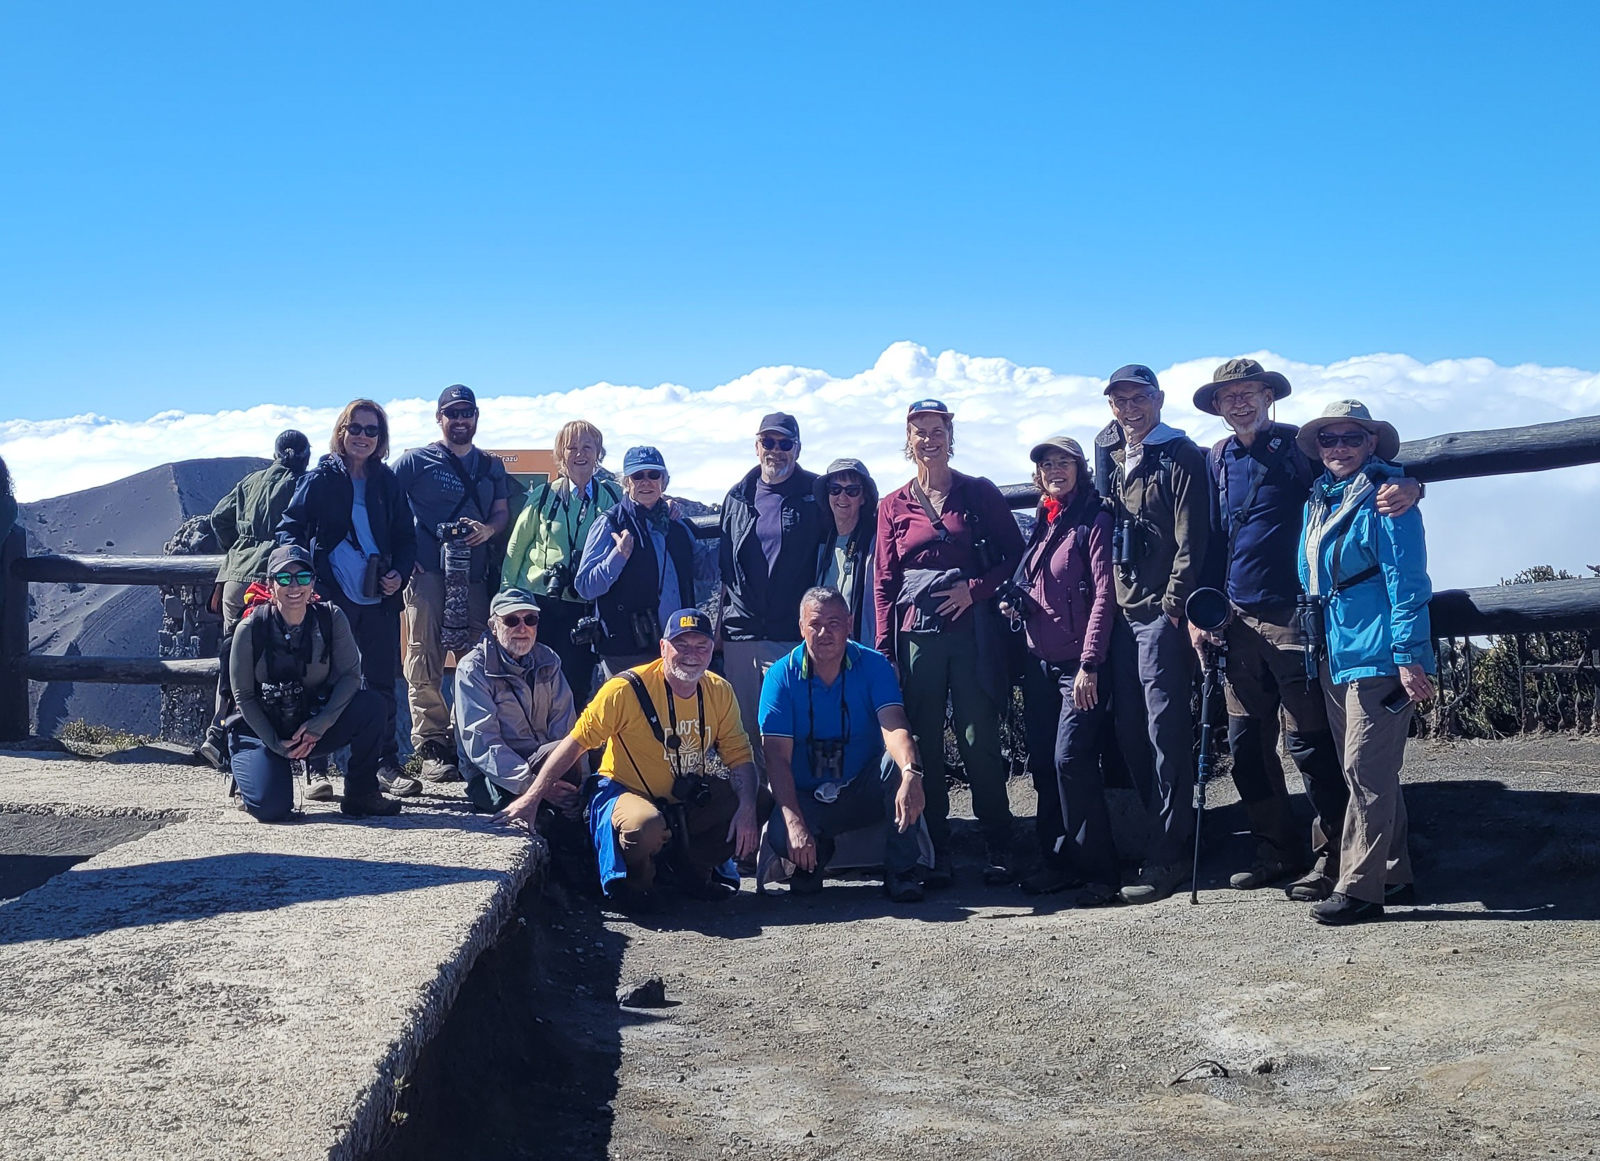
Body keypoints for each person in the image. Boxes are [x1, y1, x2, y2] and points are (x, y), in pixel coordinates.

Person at [1192, 359, 1421, 894]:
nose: (1240, 403)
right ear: (1218, 406)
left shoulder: (1299, 447)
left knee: (1311, 746)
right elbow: (1210, 538)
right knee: (1246, 744)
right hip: (1236, 620)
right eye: (1229, 397)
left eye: (1249, 393)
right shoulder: (1218, 458)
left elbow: (1358, 476)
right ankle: (1276, 851)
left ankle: (1331, 858)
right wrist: (1200, 616)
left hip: (1295, 619)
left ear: (1269, 396)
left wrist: (1412, 486)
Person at [495, 609, 761, 908]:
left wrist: (748, 808)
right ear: (663, 648)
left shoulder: (719, 690)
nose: (692, 655)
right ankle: (638, 885)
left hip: (684, 798)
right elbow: (575, 744)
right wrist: (531, 799)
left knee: (758, 799)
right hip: (624, 790)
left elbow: (739, 754)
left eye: (701, 646)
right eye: (681, 645)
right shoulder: (624, 689)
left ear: (713, 649)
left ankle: (693, 873)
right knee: (643, 826)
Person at [874, 399, 1025, 887]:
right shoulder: (892, 505)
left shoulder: (978, 493)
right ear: (908, 439)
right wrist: (885, 650)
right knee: (923, 742)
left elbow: (1015, 556)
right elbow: (884, 580)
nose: (928, 439)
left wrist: (974, 591)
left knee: (979, 737)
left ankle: (998, 840)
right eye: (919, 431)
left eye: (937, 430)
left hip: (972, 632)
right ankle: (930, 845)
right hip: (917, 634)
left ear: (949, 435)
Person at [1297, 400, 1434, 925]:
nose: (1338, 448)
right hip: (1333, 649)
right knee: (1364, 770)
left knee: (1365, 768)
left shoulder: (1388, 500)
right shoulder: (1320, 499)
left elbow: (1408, 581)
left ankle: (1359, 888)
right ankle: (1394, 873)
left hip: (1378, 652)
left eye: (1351, 438)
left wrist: (1408, 655)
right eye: (1329, 440)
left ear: (1371, 444)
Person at [1101, 364, 1209, 904]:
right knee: (1129, 730)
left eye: (1138, 397)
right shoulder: (1114, 456)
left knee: (1165, 733)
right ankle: (1160, 835)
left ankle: (1170, 853)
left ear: (1158, 398)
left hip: (1158, 617)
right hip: (1121, 616)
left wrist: (1172, 606)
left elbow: (1193, 540)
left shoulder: (1180, 455)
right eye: (1119, 401)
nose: (1129, 408)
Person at [278, 399, 421, 796]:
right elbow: (289, 529)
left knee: (380, 682)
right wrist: (306, 581)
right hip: (331, 597)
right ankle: (316, 767)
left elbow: (407, 538)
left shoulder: (387, 482)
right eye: (355, 428)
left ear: (381, 438)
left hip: (378, 597)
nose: (362, 436)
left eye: (371, 430)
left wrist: (399, 573)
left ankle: (384, 765)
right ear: (341, 432)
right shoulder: (321, 479)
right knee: (322, 681)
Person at [1003, 436, 1120, 904]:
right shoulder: (1046, 522)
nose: (1055, 469)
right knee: (1045, 764)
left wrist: (1091, 663)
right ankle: (1059, 862)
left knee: (1070, 760)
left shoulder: (1093, 518)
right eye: (1047, 464)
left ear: (1080, 469)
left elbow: (1104, 594)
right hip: (1041, 663)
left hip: (1078, 665)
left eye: (1064, 462)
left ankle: (1100, 872)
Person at [758, 587, 927, 901]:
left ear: (849, 624)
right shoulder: (780, 676)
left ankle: (903, 870)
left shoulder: (875, 665)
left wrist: (911, 773)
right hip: (808, 796)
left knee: (899, 763)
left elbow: (895, 726)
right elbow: (776, 758)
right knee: (782, 833)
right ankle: (811, 861)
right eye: (815, 624)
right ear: (800, 627)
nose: (825, 633)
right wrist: (794, 822)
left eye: (834, 623)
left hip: (862, 789)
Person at [226, 545, 401, 821]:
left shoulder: (330, 619)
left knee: (372, 706)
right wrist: (275, 743)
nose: (294, 586)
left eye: (302, 577)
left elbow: (350, 677)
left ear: (313, 582)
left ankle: (362, 793)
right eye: (284, 579)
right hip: (262, 728)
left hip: (312, 723)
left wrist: (322, 724)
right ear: (270, 586)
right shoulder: (250, 629)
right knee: (271, 810)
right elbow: (243, 695)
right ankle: (247, 775)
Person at [393, 385, 511, 783]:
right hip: (427, 573)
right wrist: (403, 554)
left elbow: (501, 513)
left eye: (467, 413)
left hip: (473, 576)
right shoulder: (415, 461)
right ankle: (431, 744)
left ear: (476, 417)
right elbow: (385, 505)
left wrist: (487, 530)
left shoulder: (490, 466)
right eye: (452, 413)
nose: (460, 420)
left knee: (474, 658)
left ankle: (468, 742)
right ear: (439, 418)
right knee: (424, 653)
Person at [718, 413, 828, 771]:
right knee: (744, 736)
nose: (776, 451)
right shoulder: (736, 496)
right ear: (756, 446)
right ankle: (757, 817)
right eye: (769, 442)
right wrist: (719, 628)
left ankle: (796, 815)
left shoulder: (817, 493)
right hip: (742, 634)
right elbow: (725, 570)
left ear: (797, 449)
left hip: (790, 634)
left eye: (785, 444)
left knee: (793, 729)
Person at [198, 430, 313, 770]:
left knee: (233, 656)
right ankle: (274, 748)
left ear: (276, 453)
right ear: (305, 456)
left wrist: (238, 549)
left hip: (235, 578)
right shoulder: (303, 483)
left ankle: (218, 731)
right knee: (274, 663)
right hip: (279, 580)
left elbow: (218, 518)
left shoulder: (250, 482)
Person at [501, 419, 622, 708]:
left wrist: (669, 507)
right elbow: (517, 545)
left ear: (598, 453)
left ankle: (571, 747)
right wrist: (506, 596)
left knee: (577, 680)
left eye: (587, 447)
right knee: (535, 675)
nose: (580, 454)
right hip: (541, 601)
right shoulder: (544, 496)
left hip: (586, 601)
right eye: (571, 448)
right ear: (560, 455)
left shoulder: (612, 497)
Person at [453, 588, 581, 813]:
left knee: (578, 749)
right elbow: (484, 745)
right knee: (536, 813)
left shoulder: (549, 660)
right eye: (511, 620)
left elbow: (566, 727)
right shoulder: (472, 669)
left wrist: (573, 784)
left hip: (543, 760)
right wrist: (535, 786)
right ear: (494, 627)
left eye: (530, 619)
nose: (523, 628)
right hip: (493, 774)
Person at [574, 446, 697, 678]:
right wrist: (617, 558)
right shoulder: (609, 523)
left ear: (664, 481)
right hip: (625, 649)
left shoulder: (677, 526)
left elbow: (705, 569)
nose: (646, 482)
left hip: (675, 645)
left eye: (653, 475)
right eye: (637, 476)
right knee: (626, 713)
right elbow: (585, 587)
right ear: (626, 483)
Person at [813, 459, 879, 646]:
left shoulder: (876, 543)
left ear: (863, 497)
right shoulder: (821, 543)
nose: (842, 497)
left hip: (865, 652)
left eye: (852, 491)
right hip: (827, 654)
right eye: (835, 489)